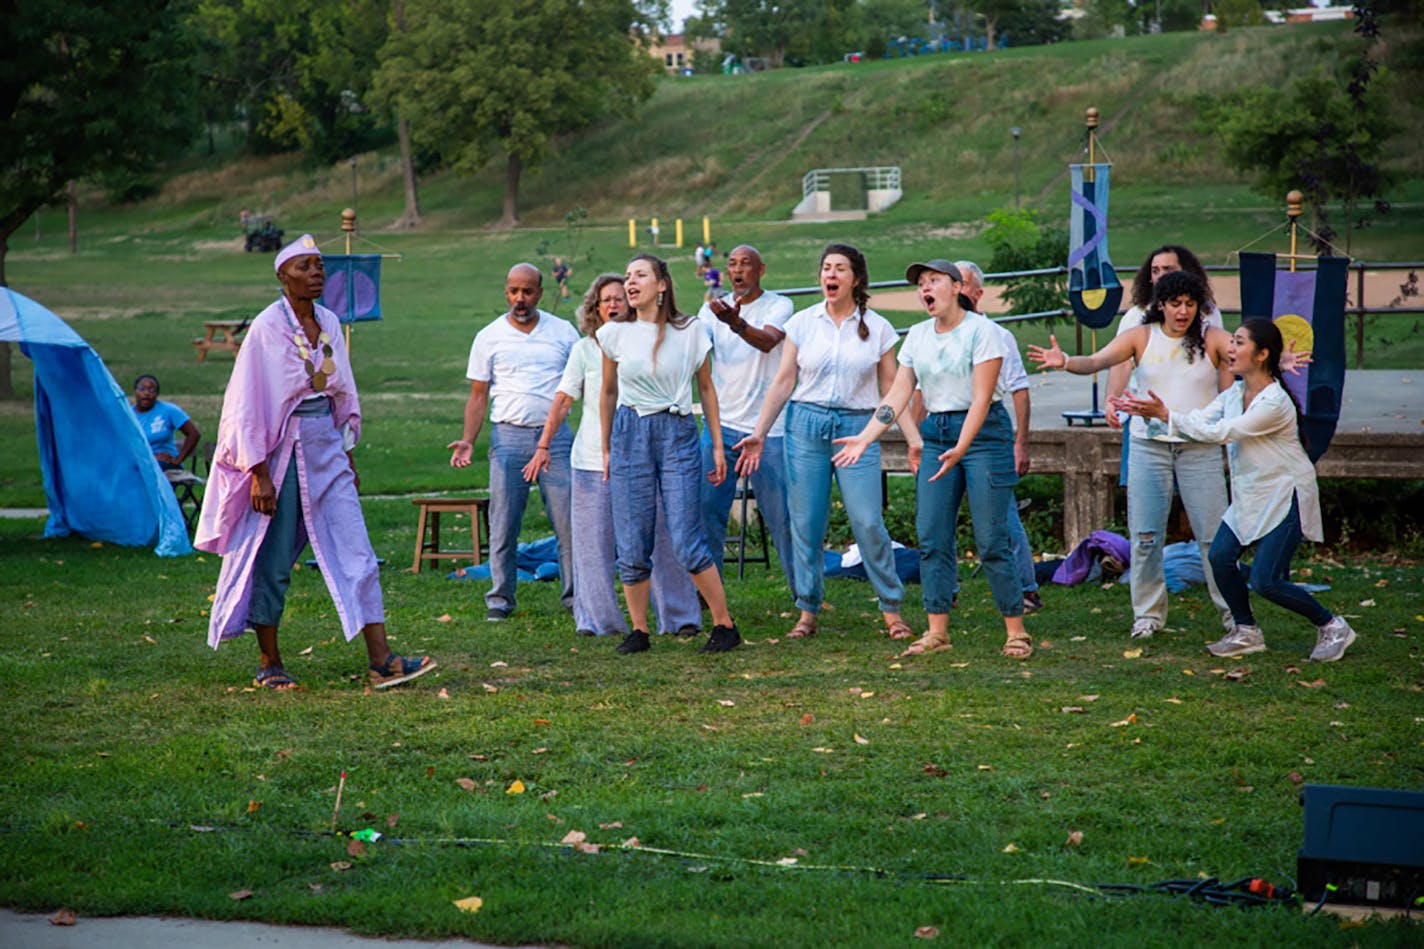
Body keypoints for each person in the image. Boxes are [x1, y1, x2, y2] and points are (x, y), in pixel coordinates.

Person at [195, 234, 435, 690]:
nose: (317, 273)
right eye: (305, 267)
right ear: (283, 276)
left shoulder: (327, 321)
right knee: (274, 557)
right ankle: (269, 660)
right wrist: (258, 473)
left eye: (320, 266)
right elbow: (246, 403)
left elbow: (341, 388)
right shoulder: (267, 327)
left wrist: (346, 454)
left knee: (357, 550)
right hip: (282, 453)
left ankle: (381, 661)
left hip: (326, 446)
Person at [1113, 318, 1354, 661]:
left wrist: (1166, 414)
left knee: (1267, 581)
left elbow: (1222, 432)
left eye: (1239, 342)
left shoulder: (1274, 403)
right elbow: (1199, 421)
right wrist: (1158, 415)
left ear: (1262, 355)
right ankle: (1246, 631)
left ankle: (1332, 626)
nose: (1231, 348)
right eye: (1233, 341)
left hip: (1286, 497)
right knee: (1220, 557)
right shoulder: (1236, 393)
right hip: (1251, 496)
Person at [833, 259, 1032, 659]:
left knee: (992, 539)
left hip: (983, 436)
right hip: (937, 432)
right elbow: (897, 394)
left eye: (933, 281)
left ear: (957, 287)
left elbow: (981, 397)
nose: (925, 288)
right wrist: (867, 437)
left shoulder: (984, 333)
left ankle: (1016, 631)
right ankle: (937, 631)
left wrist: (961, 446)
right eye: (921, 283)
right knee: (931, 538)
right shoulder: (919, 336)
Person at [1028, 270, 1239, 640]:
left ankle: (1234, 616)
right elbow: (1096, 361)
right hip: (1148, 445)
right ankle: (1148, 615)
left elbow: (1248, 357)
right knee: (1144, 536)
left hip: (1198, 446)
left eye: (1190, 304)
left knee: (1212, 537)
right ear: (1161, 304)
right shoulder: (1141, 336)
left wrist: (1278, 361)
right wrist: (1064, 362)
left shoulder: (1212, 338)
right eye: (1176, 303)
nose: (1183, 311)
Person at [734, 243, 921, 642]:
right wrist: (760, 432)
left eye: (839, 269)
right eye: (825, 268)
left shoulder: (880, 328)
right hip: (806, 426)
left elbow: (893, 388)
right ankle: (807, 612)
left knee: (868, 521)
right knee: (806, 524)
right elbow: (784, 380)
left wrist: (912, 439)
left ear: (856, 279)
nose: (830, 275)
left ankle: (892, 610)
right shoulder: (803, 323)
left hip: (858, 429)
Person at [523, 274, 701, 638]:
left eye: (621, 297)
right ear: (595, 308)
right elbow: (562, 400)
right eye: (607, 299)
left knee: (664, 538)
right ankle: (598, 621)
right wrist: (543, 445)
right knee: (592, 546)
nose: (615, 304)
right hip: (592, 461)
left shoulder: (655, 340)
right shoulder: (585, 349)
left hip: (647, 456)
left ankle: (679, 618)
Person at [597, 254, 741, 654]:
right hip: (630, 434)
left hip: (677, 433)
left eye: (639, 275)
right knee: (632, 538)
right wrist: (607, 445)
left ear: (661, 284)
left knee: (685, 539)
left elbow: (707, 390)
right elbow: (608, 392)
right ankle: (639, 631)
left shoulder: (690, 331)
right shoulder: (614, 334)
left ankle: (724, 625)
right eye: (627, 276)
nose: (630, 282)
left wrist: (715, 444)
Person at [449, 263, 579, 622]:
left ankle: (575, 599)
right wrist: (468, 440)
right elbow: (478, 395)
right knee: (504, 522)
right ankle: (500, 600)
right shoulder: (489, 336)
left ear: (539, 292)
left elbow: (576, 385)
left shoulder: (563, 332)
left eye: (528, 292)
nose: (520, 299)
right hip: (508, 437)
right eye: (513, 291)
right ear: (505, 292)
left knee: (568, 522)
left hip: (555, 440)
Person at [696, 244, 796, 586]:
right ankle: (709, 597)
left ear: (761, 270)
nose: (738, 270)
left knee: (782, 518)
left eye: (746, 264)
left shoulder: (780, 305)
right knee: (706, 512)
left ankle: (805, 597)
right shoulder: (712, 311)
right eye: (732, 264)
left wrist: (735, 323)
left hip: (769, 430)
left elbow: (768, 341)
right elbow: (695, 352)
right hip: (720, 428)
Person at [954, 261, 1042, 613]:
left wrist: (1022, 442)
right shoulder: (933, 332)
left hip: (989, 431)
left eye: (960, 283)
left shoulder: (997, 336)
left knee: (1002, 514)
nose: (954, 289)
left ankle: (1026, 588)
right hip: (946, 429)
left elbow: (1019, 390)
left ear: (977, 294)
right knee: (940, 514)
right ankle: (946, 590)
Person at [1104, 245, 1223, 434]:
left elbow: (1223, 360)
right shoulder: (1135, 317)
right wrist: (1110, 400)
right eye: (1155, 271)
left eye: (1168, 269)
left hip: (1196, 421)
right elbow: (1121, 364)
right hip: (1144, 421)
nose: (1160, 275)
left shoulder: (1209, 314)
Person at [131, 375, 200, 471]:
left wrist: (178, 460)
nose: (146, 393)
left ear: (157, 394)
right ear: (135, 391)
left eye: (152, 390)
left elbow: (194, 434)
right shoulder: (128, 415)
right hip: (139, 462)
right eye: (142, 389)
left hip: (165, 463)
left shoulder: (169, 410)